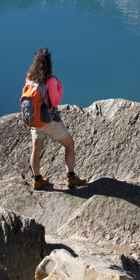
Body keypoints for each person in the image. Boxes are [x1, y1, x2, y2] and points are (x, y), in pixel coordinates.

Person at [24, 47, 87, 190]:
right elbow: (55, 101)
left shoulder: (29, 77)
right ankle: (71, 177)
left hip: (34, 120)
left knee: (36, 150)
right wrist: (60, 87)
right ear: (49, 64)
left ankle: (37, 180)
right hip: (49, 121)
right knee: (70, 145)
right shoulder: (50, 80)